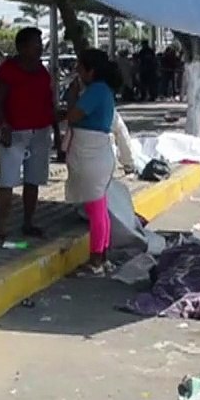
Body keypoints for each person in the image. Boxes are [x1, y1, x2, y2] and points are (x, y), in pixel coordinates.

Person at [0, 27, 56, 243]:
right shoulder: (7, 70)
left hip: (40, 131)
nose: (39, 47)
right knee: (8, 181)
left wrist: (56, 132)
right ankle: (0, 229)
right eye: (34, 43)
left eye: (40, 43)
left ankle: (28, 222)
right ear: (22, 46)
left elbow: (49, 103)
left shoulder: (42, 70)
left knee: (33, 180)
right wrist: (4, 125)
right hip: (15, 132)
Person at [65, 50, 121, 274]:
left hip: (91, 154)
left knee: (95, 208)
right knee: (100, 206)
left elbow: (74, 116)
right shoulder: (103, 90)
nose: (77, 71)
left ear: (91, 71)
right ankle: (102, 255)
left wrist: (71, 96)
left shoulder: (96, 91)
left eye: (80, 67)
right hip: (99, 154)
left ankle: (96, 260)